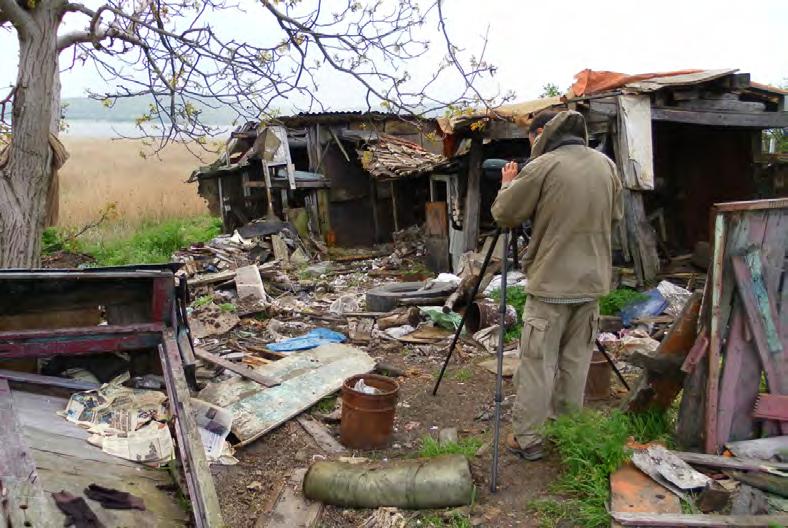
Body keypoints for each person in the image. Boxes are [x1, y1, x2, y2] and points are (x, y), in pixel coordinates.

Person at [491, 109, 623, 461]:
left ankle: (529, 439)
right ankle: (568, 432)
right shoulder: (605, 166)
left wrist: (507, 185)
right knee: (575, 363)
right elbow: (615, 215)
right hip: (592, 282)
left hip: (551, 284)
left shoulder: (543, 166)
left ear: (539, 135)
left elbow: (505, 214)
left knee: (537, 363)